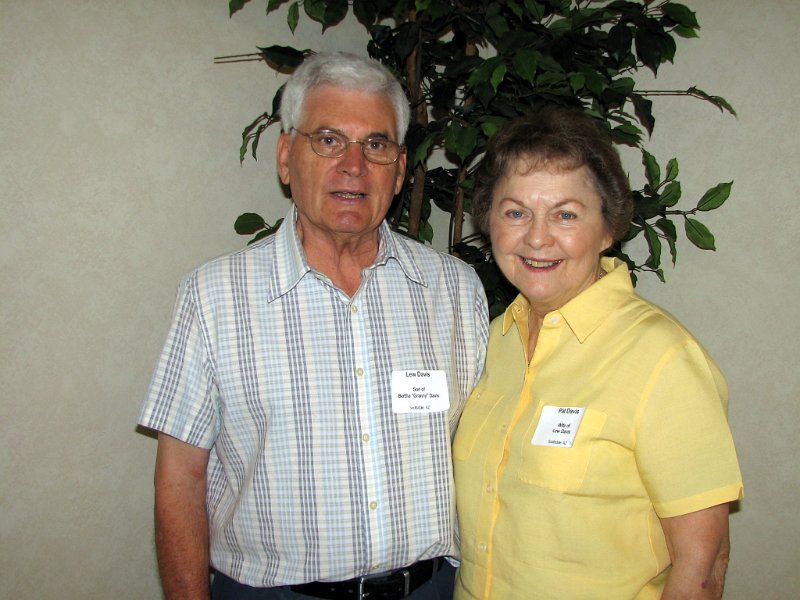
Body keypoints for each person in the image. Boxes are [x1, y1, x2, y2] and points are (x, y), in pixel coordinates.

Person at [139, 52, 488, 600]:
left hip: (430, 589)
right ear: (285, 157)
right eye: (328, 140)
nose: (354, 165)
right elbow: (179, 481)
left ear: (399, 171)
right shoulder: (213, 298)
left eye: (376, 145)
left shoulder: (455, 290)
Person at [452, 109, 743, 600]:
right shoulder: (495, 339)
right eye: (516, 212)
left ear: (608, 229)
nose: (537, 237)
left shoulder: (662, 357)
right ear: (490, 224)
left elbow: (703, 565)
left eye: (566, 214)